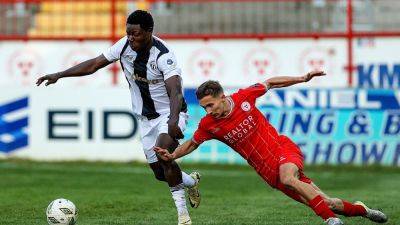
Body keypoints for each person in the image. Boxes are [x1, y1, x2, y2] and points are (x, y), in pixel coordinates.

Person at [154, 71, 388, 225]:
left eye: (210, 105)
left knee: (290, 178)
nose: (208, 111)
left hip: (283, 150)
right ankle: (361, 210)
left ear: (222, 97)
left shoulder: (244, 97)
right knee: (329, 202)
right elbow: (193, 143)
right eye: (204, 107)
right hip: (268, 172)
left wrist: (302, 78)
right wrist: (173, 154)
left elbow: (271, 83)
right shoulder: (209, 125)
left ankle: (330, 221)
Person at [36, 10, 200, 225]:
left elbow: (176, 91)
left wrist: (173, 120)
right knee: (160, 174)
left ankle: (183, 217)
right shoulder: (124, 45)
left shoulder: (163, 55)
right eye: (128, 33)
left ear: (149, 32)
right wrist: (60, 74)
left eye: (136, 34)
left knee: (163, 156)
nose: (131, 38)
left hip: (169, 114)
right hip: (145, 118)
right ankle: (190, 181)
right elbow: (94, 64)